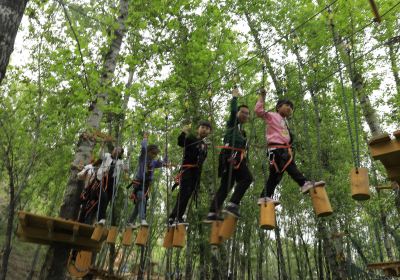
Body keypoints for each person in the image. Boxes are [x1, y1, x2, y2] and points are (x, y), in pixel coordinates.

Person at [254, 88, 325, 205]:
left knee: (275, 177)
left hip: (282, 149)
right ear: (278, 107)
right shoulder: (273, 116)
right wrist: (262, 96)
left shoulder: (285, 122)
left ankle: (265, 196)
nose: (289, 108)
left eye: (291, 107)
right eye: (287, 105)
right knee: (290, 165)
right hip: (276, 149)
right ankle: (303, 183)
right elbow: (258, 111)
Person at [205, 87, 253, 222]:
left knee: (226, 186)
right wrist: (234, 97)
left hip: (231, 158)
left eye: (247, 114)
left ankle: (212, 212)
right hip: (231, 156)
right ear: (237, 113)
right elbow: (232, 111)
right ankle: (232, 204)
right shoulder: (233, 123)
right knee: (247, 178)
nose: (245, 115)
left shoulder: (240, 130)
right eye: (243, 112)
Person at [168, 120, 212, 225]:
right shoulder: (191, 139)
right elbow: (180, 142)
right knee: (184, 192)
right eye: (203, 127)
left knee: (187, 194)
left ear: (209, 132)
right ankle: (177, 217)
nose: (204, 130)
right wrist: (183, 132)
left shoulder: (205, 145)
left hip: (196, 173)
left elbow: (201, 161)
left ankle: (174, 217)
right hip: (187, 169)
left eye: (207, 129)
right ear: (198, 129)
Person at [127, 133, 166, 227]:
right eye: (152, 153)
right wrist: (145, 139)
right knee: (141, 198)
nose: (154, 155)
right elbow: (143, 149)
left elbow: (163, 163)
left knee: (140, 203)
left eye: (155, 154)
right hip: (139, 183)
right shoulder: (142, 158)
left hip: (147, 185)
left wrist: (166, 152)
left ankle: (130, 222)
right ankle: (142, 219)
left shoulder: (154, 162)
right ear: (148, 152)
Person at [81, 145, 126, 225]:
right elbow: (100, 156)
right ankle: (100, 218)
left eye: (118, 151)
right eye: (116, 149)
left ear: (120, 154)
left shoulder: (120, 162)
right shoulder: (107, 156)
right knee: (101, 198)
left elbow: (126, 169)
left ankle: (99, 220)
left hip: (111, 184)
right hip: (101, 181)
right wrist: (102, 145)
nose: (116, 151)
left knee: (104, 202)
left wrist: (128, 158)